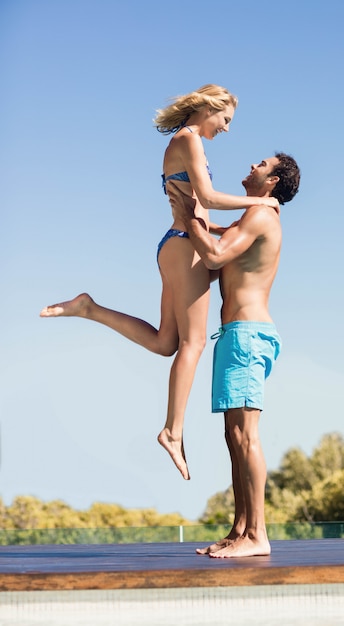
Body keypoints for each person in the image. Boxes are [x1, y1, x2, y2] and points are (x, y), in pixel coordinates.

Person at [39, 84, 279, 481]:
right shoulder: (189, 140)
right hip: (185, 249)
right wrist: (260, 202)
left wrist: (224, 227)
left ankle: (89, 308)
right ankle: (172, 431)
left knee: (166, 342)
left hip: (176, 244)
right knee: (195, 342)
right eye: (226, 119)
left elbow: (198, 209)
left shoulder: (183, 142)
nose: (227, 128)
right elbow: (207, 196)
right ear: (209, 108)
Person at [167, 152, 300, 557]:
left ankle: (258, 536)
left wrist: (190, 212)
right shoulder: (250, 218)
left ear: (273, 181)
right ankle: (241, 529)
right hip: (236, 335)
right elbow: (212, 236)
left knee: (246, 435)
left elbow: (213, 255)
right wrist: (192, 216)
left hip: (247, 335)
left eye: (262, 164)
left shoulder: (260, 217)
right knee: (232, 435)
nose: (252, 166)